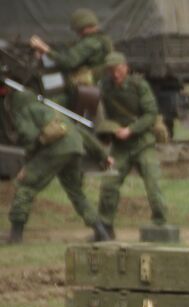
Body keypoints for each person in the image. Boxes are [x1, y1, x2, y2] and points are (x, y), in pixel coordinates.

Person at [1, 76, 112, 245]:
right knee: (76, 192)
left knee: (26, 185)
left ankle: (15, 235)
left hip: (55, 150)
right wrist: (103, 156)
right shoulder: (50, 110)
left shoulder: (22, 110)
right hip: (74, 148)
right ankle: (101, 232)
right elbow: (80, 133)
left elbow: (29, 137)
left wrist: (28, 164)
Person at [96, 52, 169, 235]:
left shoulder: (139, 86)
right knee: (109, 184)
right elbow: (98, 112)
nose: (115, 73)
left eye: (118, 69)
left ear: (126, 67)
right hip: (120, 147)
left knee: (152, 184)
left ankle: (159, 224)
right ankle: (105, 227)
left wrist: (131, 130)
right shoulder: (104, 87)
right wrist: (109, 129)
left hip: (143, 143)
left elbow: (151, 113)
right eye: (111, 70)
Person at [29, 8, 113, 111]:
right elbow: (71, 51)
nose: (77, 33)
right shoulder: (101, 38)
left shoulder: (90, 43)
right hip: (96, 84)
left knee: (49, 101)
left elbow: (68, 61)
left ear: (84, 27)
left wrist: (46, 50)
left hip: (87, 87)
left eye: (78, 30)